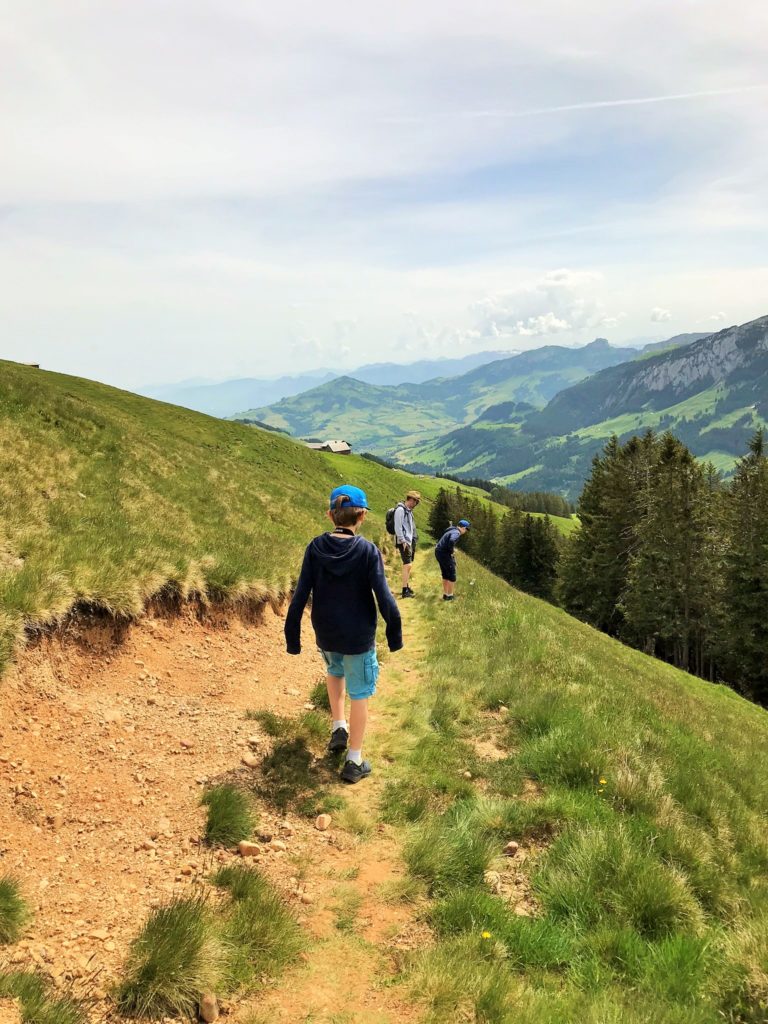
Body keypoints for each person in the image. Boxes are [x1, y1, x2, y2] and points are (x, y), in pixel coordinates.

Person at [284, 485, 402, 783]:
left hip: (326, 631)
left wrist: (293, 636)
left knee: (334, 672)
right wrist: (395, 632)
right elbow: (384, 597)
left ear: (329, 515)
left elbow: (300, 595)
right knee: (360, 693)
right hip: (358, 635)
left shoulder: (314, 548)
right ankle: (354, 760)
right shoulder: (367, 551)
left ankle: (339, 726)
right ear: (361, 516)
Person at [434, 519, 470, 601]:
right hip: (444, 553)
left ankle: (446, 594)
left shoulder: (452, 530)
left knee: (445, 574)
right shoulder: (456, 533)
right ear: (463, 528)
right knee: (452, 575)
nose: (466, 531)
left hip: (438, 551)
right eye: (466, 529)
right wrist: (451, 551)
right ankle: (450, 596)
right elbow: (451, 540)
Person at [394, 490, 421, 598]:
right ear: (411, 499)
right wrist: (403, 541)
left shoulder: (408, 511)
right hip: (404, 542)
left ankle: (407, 586)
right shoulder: (400, 510)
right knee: (407, 565)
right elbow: (398, 527)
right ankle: (405, 590)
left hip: (408, 541)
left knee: (408, 565)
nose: (416, 504)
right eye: (416, 502)